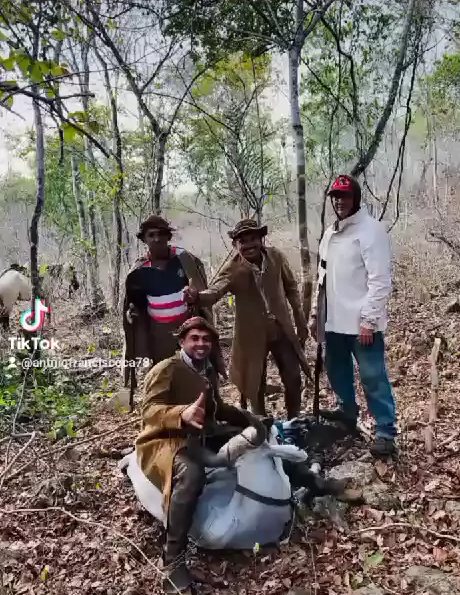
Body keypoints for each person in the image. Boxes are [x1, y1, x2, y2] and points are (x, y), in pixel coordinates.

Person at [136, 316, 253, 595]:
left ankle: (316, 483)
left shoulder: (207, 370)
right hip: (163, 441)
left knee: (254, 442)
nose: (201, 344)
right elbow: (149, 410)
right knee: (192, 474)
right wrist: (182, 413)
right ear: (182, 342)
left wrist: (249, 419)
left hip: (200, 436)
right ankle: (173, 560)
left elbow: (217, 409)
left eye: (206, 339)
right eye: (195, 338)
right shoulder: (167, 368)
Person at [183, 218, 310, 419]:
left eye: (253, 239)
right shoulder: (233, 268)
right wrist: (196, 296)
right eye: (243, 241)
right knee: (254, 382)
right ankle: (260, 422)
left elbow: (291, 288)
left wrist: (300, 319)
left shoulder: (276, 257)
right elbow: (215, 292)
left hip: (280, 329)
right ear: (236, 244)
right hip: (252, 334)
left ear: (261, 239)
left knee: (293, 376)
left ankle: (294, 420)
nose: (249, 245)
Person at [309, 174, 397, 457]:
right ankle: (347, 414)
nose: (339, 201)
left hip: (362, 324)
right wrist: (316, 314)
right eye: (335, 196)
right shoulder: (330, 233)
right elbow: (321, 278)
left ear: (355, 198)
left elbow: (380, 280)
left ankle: (385, 431)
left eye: (345, 196)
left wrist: (369, 320)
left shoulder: (371, 231)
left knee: (373, 376)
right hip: (334, 321)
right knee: (337, 372)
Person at [122, 215, 225, 389]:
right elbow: (134, 303)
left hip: (189, 325)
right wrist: (132, 314)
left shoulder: (184, 259)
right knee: (165, 372)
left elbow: (201, 290)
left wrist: (194, 296)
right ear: (144, 239)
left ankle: (205, 401)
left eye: (161, 233)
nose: (157, 239)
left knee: (198, 369)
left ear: (168, 236)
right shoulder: (140, 269)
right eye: (151, 235)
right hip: (159, 331)